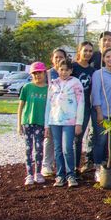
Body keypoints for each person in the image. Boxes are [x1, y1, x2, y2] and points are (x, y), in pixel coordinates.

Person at [45, 59, 85, 188]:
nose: (64, 72)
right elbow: (48, 105)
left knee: (67, 148)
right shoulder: (53, 83)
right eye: (61, 69)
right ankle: (60, 175)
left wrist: (79, 123)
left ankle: (71, 174)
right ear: (57, 69)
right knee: (58, 149)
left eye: (67, 70)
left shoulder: (76, 83)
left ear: (71, 71)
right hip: (55, 121)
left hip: (70, 121)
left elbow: (81, 103)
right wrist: (47, 125)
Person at [91, 49, 111, 181]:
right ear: (104, 59)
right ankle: (98, 167)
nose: (110, 59)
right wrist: (98, 112)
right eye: (107, 57)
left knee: (110, 141)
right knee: (100, 140)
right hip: (102, 112)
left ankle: (106, 164)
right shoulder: (99, 74)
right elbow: (95, 93)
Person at [17, 62, 49, 185]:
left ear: (44, 73)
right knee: (28, 148)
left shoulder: (48, 88)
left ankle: (38, 172)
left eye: (39, 72)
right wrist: (19, 124)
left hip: (40, 123)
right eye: (35, 73)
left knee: (39, 148)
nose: (37, 75)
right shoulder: (27, 87)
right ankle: (29, 174)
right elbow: (21, 106)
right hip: (27, 122)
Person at [42, 48, 68, 177]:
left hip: (65, 113)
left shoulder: (67, 73)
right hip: (51, 111)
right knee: (49, 138)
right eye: (56, 57)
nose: (58, 59)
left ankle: (63, 165)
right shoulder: (48, 74)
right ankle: (47, 164)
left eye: (61, 57)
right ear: (52, 59)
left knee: (63, 141)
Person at [72, 41, 96, 176]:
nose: (87, 53)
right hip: (70, 107)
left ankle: (75, 167)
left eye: (90, 51)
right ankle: (67, 167)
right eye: (85, 50)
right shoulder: (73, 67)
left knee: (78, 138)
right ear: (79, 51)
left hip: (85, 108)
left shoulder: (92, 71)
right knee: (68, 138)